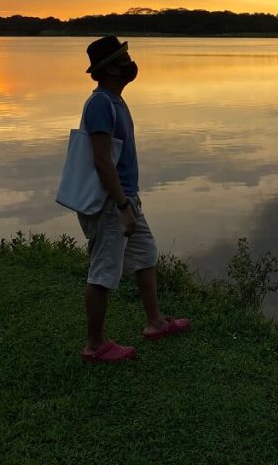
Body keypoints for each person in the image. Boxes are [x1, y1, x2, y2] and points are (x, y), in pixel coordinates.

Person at [78, 35, 189, 363]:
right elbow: (101, 160)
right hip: (113, 202)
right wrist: (123, 206)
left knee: (145, 255)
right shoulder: (100, 103)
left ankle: (155, 323)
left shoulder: (115, 100)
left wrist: (130, 202)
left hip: (126, 198)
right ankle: (95, 345)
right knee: (104, 269)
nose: (131, 62)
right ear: (109, 68)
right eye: (124, 58)